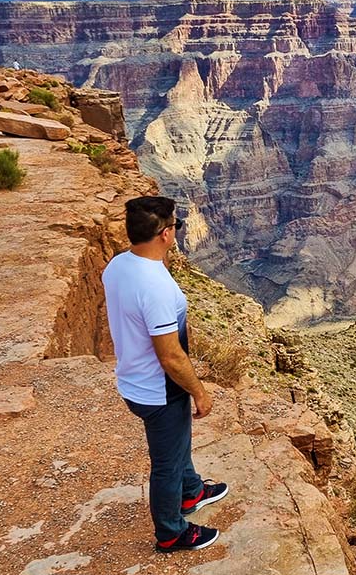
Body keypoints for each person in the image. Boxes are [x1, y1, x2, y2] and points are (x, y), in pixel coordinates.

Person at [102, 196, 228, 552]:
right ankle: (171, 531)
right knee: (166, 464)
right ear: (166, 234)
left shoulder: (118, 265)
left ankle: (192, 492)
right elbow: (171, 356)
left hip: (134, 377)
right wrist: (199, 392)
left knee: (177, 444)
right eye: (176, 225)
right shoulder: (154, 287)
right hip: (159, 387)